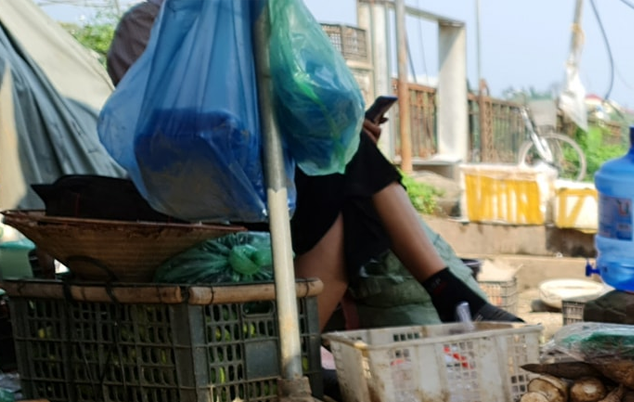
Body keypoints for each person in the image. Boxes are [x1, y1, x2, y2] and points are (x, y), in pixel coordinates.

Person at [107, 1, 516, 328]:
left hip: (264, 186)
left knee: (348, 173)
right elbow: (177, 131)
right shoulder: (147, 26)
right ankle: (444, 288)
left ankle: (300, 352)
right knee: (349, 178)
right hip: (209, 200)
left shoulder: (236, 19)